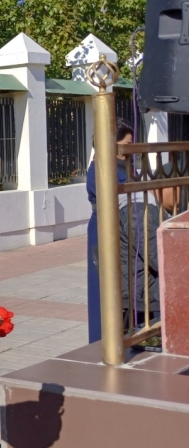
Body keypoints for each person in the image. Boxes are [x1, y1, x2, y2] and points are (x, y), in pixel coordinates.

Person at [85, 120, 134, 342]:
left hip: (125, 228)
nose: (130, 149)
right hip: (104, 228)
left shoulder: (124, 166)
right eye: (127, 144)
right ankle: (100, 341)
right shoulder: (99, 168)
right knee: (103, 286)